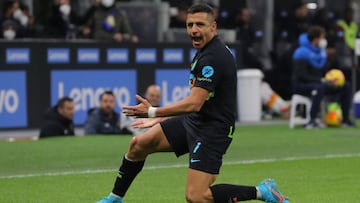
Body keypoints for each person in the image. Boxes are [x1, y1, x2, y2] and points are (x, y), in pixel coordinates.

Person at [96, 3, 289, 203]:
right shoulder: (205, 50)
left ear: (213, 27)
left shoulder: (213, 57)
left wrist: (154, 112)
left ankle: (262, 191)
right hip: (194, 121)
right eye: (189, 25)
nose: (194, 30)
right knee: (138, 144)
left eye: (199, 24)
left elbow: (194, 103)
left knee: (196, 196)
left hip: (213, 130)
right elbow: (197, 105)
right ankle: (115, 198)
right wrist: (164, 116)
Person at [292, 25, 355, 129]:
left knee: (345, 86)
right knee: (319, 88)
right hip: (301, 85)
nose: (324, 40)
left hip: (321, 83)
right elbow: (301, 75)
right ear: (316, 39)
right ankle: (312, 121)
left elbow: (327, 72)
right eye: (322, 37)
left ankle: (346, 119)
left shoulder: (321, 53)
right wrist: (322, 81)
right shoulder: (301, 52)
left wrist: (333, 79)